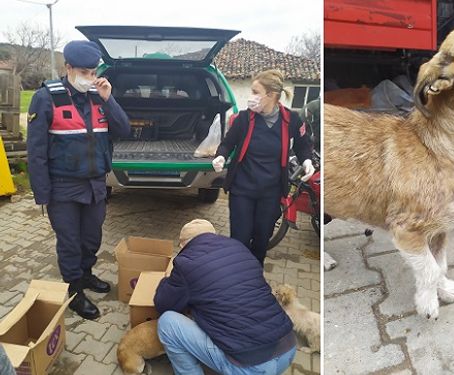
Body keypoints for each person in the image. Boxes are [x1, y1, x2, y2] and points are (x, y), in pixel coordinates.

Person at [26, 40, 131, 319]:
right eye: (83, 71)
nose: (89, 77)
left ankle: (85, 276)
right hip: (63, 187)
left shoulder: (99, 95)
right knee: (70, 242)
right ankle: (74, 291)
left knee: (91, 239)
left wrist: (109, 98)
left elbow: (124, 129)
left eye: (93, 71)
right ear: (68, 67)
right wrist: (42, 195)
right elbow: (36, 152)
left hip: (95, 184)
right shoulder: (45, 98)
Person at [154, 219, 297, 375]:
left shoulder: (185, 263)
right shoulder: (238, 247)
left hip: (251, 366)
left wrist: (167, 279)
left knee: (167, 323)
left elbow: (162, 304)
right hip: (287, 349)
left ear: (183, 245)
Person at [212, 70, 314, 265]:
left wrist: (307, 161)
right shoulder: (244, 119)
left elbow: (303, 145)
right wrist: (220, 156)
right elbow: (227, 143)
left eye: (255, 92)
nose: (252, 97)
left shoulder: (291, 120)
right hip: (242, 189)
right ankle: (236, 278)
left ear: (271, 95)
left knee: (261, 240)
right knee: (239, 240)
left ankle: (255, 277)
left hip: (271, 192)